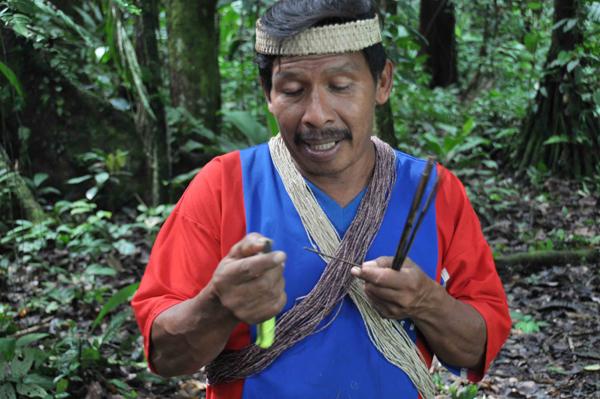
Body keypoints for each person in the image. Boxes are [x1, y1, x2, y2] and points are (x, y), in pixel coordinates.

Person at [132, 1, 511, 398]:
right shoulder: (223, 186)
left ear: (382, 82)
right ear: (268, 93)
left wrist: (427, 302)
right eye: (293, 90)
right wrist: (217, 306)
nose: (316, 115)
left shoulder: (432, 191)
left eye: (340, 86)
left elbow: (476, 348)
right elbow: (164, 354)